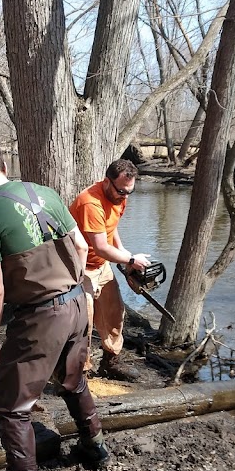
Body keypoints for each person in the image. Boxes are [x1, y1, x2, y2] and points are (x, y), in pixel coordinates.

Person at [0, 140, 110, 471]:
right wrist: (72, 287)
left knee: (13, 405)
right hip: (77, 303)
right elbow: (78, 245)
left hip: (41, 314)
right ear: (4, 165)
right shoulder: (44, 193)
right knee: (73, 379)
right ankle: (95, 447)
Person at [69, 159, 152, 381]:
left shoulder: (119, 196)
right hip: (79, 267)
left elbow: (110, 229)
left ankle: (110, 362)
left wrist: (124, 255)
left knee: (115, 313)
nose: (125, 197)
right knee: (82, 323)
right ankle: (80, 372)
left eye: (130, 192)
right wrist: (131, 258)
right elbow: (101, 247)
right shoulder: (90, 203)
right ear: (107, 182)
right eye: (122, 191)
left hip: (101, 265)